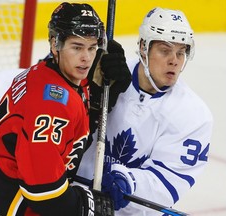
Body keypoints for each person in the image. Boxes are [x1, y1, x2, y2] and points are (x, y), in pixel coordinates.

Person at [0, 2, 132, 215]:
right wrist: (83, 205)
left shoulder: (54, 77)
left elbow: (67, 141)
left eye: (92, 47)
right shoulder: (52, 103)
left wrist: (100, 100)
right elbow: (42, 191)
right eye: (77, 47)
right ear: (55, 43)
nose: (86, 58)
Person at [76, 7, 213, 216]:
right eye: (165, 50)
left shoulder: (194, 115)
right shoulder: (108, 75)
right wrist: (88, 93)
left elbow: (168, 181)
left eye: (181, 52)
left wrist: (128, 182)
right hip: (76, 197)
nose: (174, 60)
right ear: (143, 47)